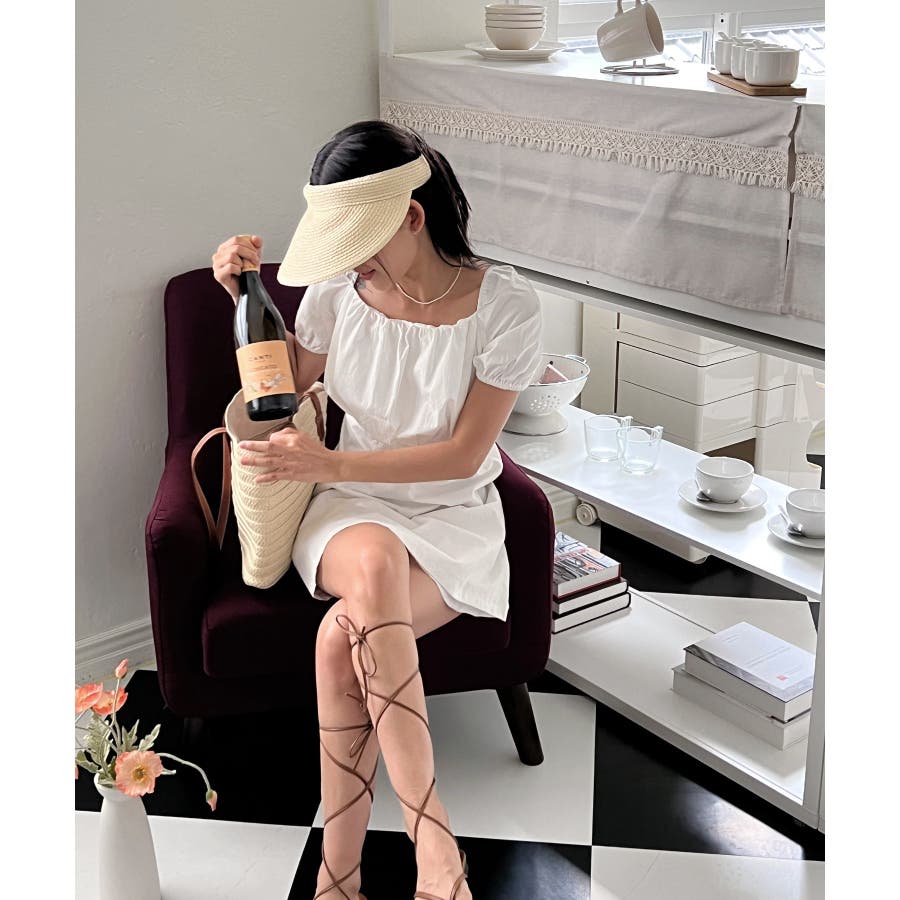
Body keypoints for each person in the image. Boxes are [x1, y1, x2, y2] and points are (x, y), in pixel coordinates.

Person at [211, 120, 544, 900]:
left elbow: (464, 455)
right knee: (376, 560)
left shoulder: (506, 306)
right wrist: (242, 300)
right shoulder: (336, 295)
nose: (347, 259)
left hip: (453, 517)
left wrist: (329, 459)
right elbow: (274, 398)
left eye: (358, 241)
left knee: (340, 641)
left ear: (413, 216)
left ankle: (340, 875)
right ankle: (434, 844)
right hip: (352, 510)